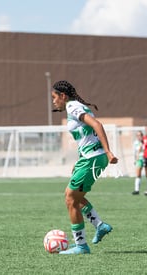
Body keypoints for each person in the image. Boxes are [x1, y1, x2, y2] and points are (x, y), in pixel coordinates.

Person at [51, 80, 118, 255]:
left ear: (63, 96)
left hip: (94, 158)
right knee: (74, 196)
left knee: (70, 198)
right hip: (90, 158)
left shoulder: (72, 106)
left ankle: (81, 245)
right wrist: (80, 160)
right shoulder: (75, 106)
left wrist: (109, 152)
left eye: (54, 97)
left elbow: (97, 125)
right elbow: (88, 137)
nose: (53, 101)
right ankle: (100, 225)